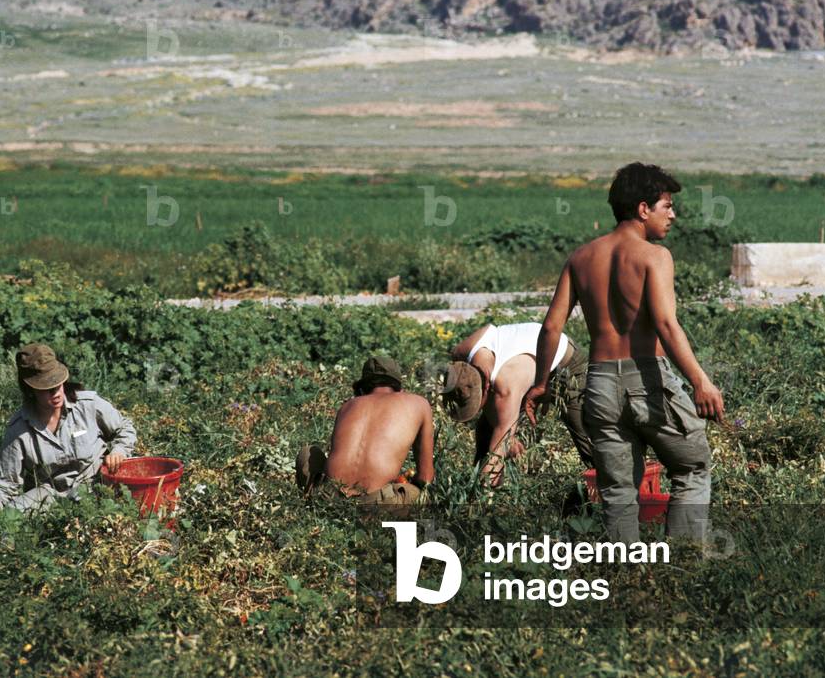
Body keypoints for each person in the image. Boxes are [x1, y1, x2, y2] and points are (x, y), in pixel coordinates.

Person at [523, 162, 723, 544]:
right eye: (667, 206)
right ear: (643, 209)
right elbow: (666, 324)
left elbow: (551, 327)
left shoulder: (581, 258)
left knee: (618, 492)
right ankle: (681, 561)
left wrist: (540, 383)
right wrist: (701, 381)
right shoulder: (654, 256)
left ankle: (625, 577)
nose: (673, 215)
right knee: (692, 467)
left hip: (598, 384)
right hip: (647, 379)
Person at [443, 322, 594, 488]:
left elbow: (498, 451)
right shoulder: (462, 352)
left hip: (565, 365)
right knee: (486, 430)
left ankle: (610, 493)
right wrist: (507, 434)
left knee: (587, 438)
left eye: (476, 404)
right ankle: (486, 490)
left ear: (486, 387)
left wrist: (506, 439)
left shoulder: (507, 383)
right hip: (528, 360)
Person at [0, 343, 137, 512]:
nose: (57, 393)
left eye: (58, 385)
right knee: (11, 513)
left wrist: (119, 451)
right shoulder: (19, 429)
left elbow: (125, 427)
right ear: (30, 390)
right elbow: (6, 483)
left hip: (95, 487)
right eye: (47, 389)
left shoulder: (87, 405)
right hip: (49, 497)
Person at [295, 356, 434, 506]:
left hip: (329, 498)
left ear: (362, 389)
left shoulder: (347, 406)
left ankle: (312, 500)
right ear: (400, 388)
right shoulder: (419, 403)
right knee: (418, 494)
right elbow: (426, 478)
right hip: (377, 505)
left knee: (308, 452)